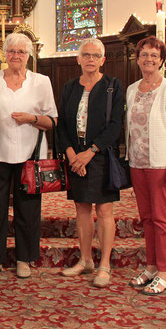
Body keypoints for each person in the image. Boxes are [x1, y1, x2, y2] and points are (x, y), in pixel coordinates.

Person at [0, 33, 57, 280]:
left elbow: (52, 120)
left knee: (28, 210)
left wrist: (31, 118)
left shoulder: (42, 81)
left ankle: (24, 259)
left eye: (21, 52)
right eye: (11, 51)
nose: (16, 56)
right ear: (4, 54)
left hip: (29, 156)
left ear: (29, 55)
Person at [57, 38, 123, 288]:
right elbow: (61, 123)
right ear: (78, 59)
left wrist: (91, 151)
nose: (90, 59)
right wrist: (72, 153)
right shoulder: (70, 86)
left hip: (101, 155)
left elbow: (116, 125)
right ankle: (85, 260)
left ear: (103, 60)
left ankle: (104, 264)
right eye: (86, 55)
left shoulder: (112, 86)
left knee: (104, 210)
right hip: (76, 157)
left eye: (96, 56)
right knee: (82, 209)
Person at [126, 36, 166, 295]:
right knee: (147, 218)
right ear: (137, 59)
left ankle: (164, 272)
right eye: (144, 55)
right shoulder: (132, 89)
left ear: (161, 60)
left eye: (154, 55)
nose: (148, 59)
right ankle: (151, 266)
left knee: (162, 219)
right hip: (138, 163)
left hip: (161, 164)